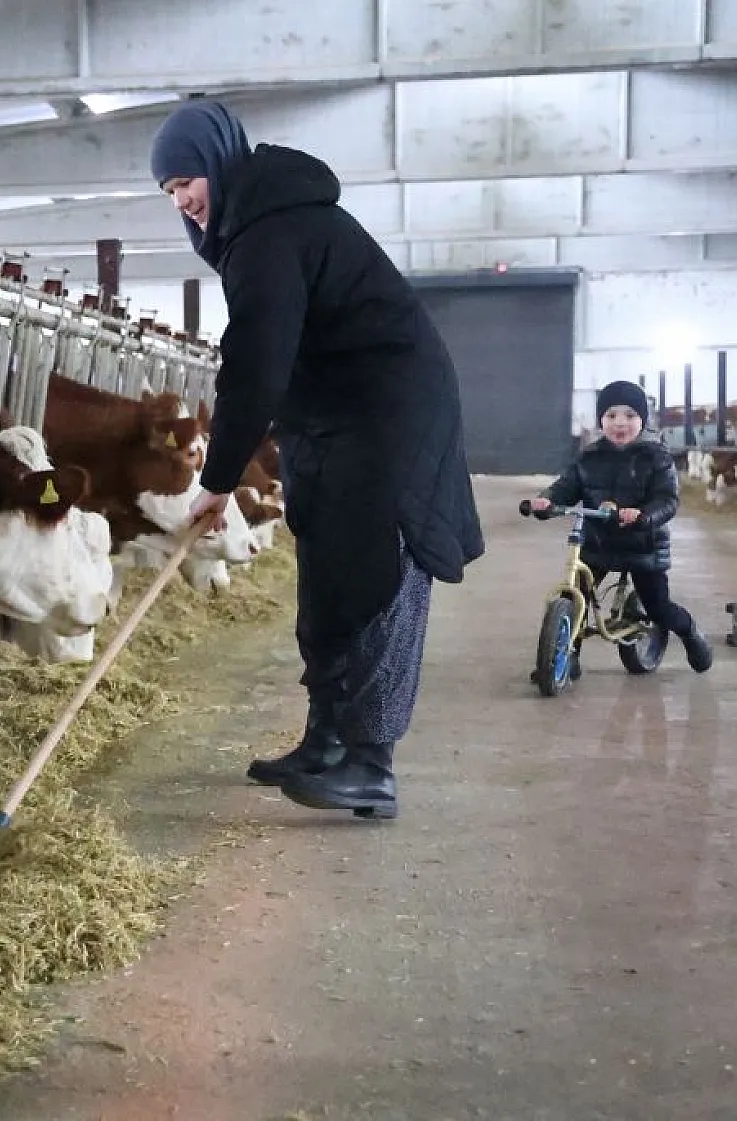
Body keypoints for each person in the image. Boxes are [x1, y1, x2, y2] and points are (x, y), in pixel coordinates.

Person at [147, 100, 485, 819]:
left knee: (378, 576)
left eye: (186, 181)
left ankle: (373, 765)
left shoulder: (274, 231)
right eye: (170, 192)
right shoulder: (252, 232)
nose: (182, 201)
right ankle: (326, 740)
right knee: (325, 574)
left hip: (390, 416)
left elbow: (255, 365)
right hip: (331, 420)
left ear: (217, 162)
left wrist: (218, 478)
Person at [528, 380, 715, 678]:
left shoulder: (657, 457)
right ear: (601, 419)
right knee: (576, 594)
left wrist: (643, 515)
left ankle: (691, 633)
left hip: (643, 546)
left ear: (642, 419)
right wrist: (546, 501)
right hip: (599, 543)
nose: (620, 423)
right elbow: (565, 488)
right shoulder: (589, 457)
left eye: (629, 415)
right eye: (611, 415)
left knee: (658, 608)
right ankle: (564, 658)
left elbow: (667, 500)